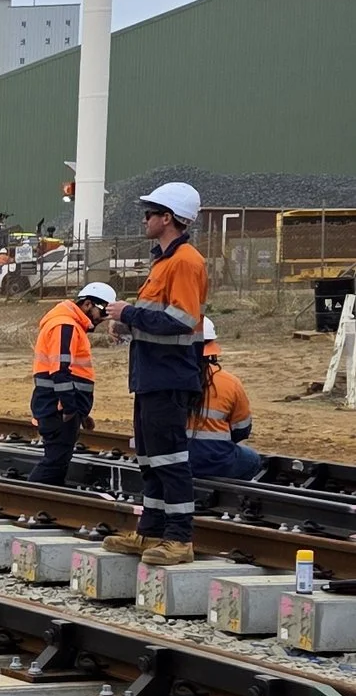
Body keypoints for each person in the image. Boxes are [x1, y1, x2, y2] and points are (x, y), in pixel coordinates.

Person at [113, 180, 210, 565]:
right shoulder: (164, 261)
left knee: (170, 460)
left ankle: (179, 540)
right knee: (151, 459)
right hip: (152, 376)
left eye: (150, 213)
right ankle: (151, 532)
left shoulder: (185, 262)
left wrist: (128, 314)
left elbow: (181, 320)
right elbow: (158, 319)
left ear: (167, 218)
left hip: (169, 377)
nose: (145, 219)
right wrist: (125, 326)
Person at [30, 281, 114, 484]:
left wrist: (81, 412)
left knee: (58, 460)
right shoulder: (64, 326)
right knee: (54, 463)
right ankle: (31, 499)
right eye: (102, 311)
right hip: (57, 408)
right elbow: (60, 371)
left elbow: (72, 373)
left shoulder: (71, 326)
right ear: (87, 304)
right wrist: (69, 408)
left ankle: (42, 501)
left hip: (60, 406)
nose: (103, 318)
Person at [188, 323, 262, 482]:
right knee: (253, 460)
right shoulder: (229, 383)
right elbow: (242, 429)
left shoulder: (165, 380)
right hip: (216, 460)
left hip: (173, 460)